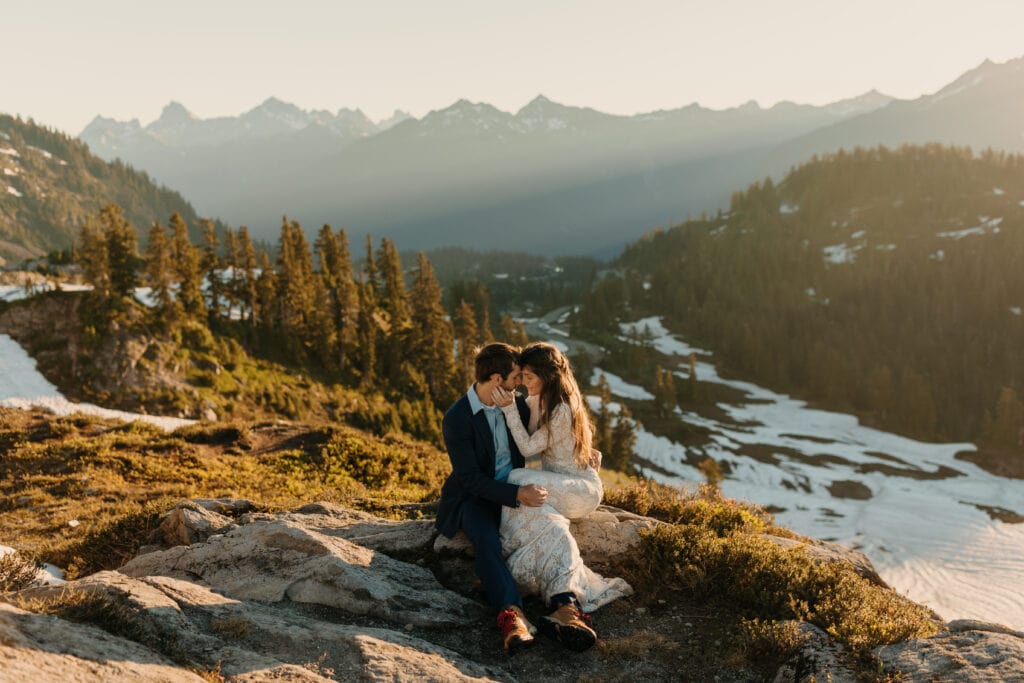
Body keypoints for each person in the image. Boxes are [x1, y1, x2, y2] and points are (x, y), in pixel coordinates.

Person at [493, 342, 633, 652]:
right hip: (565, 482)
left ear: (545, 375)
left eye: (529, 376)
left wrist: (507, 410)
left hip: (579, 489)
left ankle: (509, 555)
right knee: (541, 513)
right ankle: (562, 604)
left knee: (516, 480)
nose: (523, 382)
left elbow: (530, 448)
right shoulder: (543, 398)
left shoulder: (562, 407)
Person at [435, 342, 548, 653]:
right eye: (515, 378)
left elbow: (549, 432)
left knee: (550, 528)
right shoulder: (458, 417)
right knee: (487, 540)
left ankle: (565, 606)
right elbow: (470, 479)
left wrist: (585, 450)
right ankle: (512, 615)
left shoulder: (518, 406)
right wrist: (517, 495)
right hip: (473, 497)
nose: (519, 385)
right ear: (497, 380)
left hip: (513, 488)